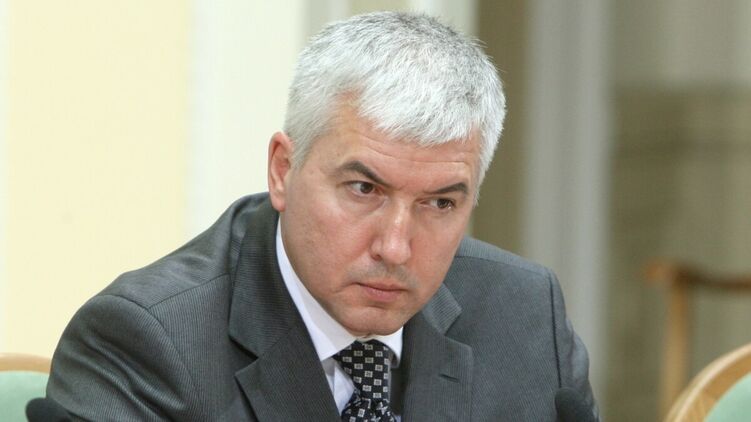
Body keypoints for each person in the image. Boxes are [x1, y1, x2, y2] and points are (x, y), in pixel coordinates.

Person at [46, 11, 597, 421]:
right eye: (364, 189)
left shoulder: (524, 315)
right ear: (283, 170)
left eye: (439, 203)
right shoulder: (148, 342)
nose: (395, 248)